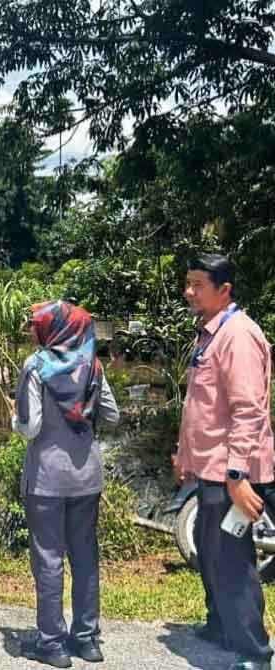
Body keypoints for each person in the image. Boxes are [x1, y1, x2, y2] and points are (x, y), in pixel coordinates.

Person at [174, 254, 273, 670]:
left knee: (232, 562)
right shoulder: (211, 333)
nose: (188, 292)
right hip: (208, 469)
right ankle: (220, 625)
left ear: (224, 289)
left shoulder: (239, 336)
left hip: (232, 473)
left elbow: (248, 411)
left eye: (197, 284)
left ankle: (254, 652)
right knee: (212, 555)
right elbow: (203, 405)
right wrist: (185, 454)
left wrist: (237, 476)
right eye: (188, 283)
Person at [12, 300, 120, 669]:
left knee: (48, 559)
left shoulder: (36, 365)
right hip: (87, 477)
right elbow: (112, 414)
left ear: (51, 328)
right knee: (85, 557)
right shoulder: (93, 364)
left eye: (35, 324)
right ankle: (87, 639)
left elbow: (30, 426)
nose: (31, 330)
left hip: (46, 479)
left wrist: (14, 421)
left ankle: (52, 643)